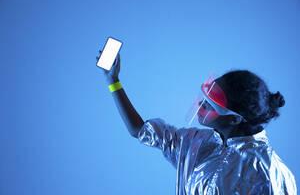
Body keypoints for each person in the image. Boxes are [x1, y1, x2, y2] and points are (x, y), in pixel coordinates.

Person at [96, 51, 297, 194]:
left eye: (210, 105)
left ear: (234, 118)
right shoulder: (198, 144)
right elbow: (139, 130)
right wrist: (113, 81)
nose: (201, 105)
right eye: (205, 97)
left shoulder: (272, 173)